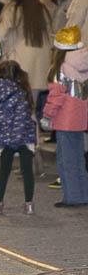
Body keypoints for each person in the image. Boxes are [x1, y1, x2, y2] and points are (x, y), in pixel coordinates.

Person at [0, 59, 37, 215]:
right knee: (27, 171)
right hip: (23, 137)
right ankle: (29, 205)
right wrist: (17, 139)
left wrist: (6, 139)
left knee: (3, 172)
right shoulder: (21, 92)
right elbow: (21, 118)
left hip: (4, 139)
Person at [0, 0, 52, 119]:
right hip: (41, 65)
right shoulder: (42, 9)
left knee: (18, 107)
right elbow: (51, 37)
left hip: (19, 64)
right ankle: (33, 140)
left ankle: (22, 140)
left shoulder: (11, 10)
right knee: (31, 107)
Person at [43, 28, 88, 208]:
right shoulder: (84, 65)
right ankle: (83, 194)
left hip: (65, 121)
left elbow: (56, 97)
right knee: (78, 159)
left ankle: (72, 197)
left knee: (66, 160)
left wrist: (47, 116)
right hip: (80, 119)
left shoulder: (59, 68)